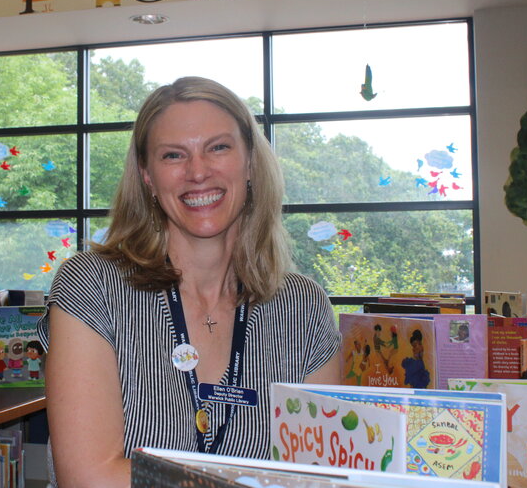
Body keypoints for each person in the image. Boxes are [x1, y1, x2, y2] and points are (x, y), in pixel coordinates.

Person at [43, 76, 341, 488]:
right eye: (172, 155)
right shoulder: (92, 286)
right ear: (147, 175)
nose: (198, 172)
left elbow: (321, 472)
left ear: (250, 162)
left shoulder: (304, 308)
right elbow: (88, 478)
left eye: (218, 147)